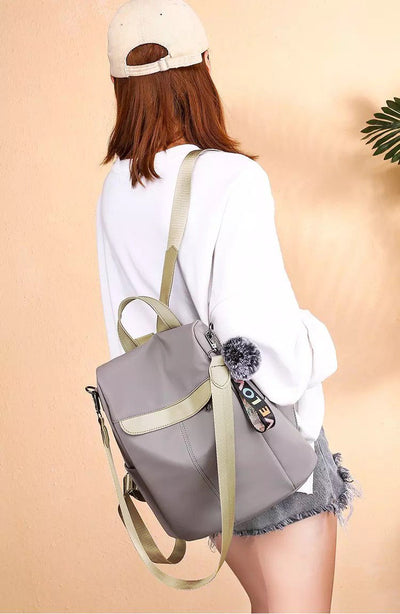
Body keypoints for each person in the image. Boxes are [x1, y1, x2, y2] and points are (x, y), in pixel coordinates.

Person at [96, 1, 361, 611]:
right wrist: (317, 342)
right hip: (266, 450)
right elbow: (263, 350)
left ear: (120, 85)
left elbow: (133, 334)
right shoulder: (232, 178)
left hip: (192, 460)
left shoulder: (116, 188)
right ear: (203, 68)